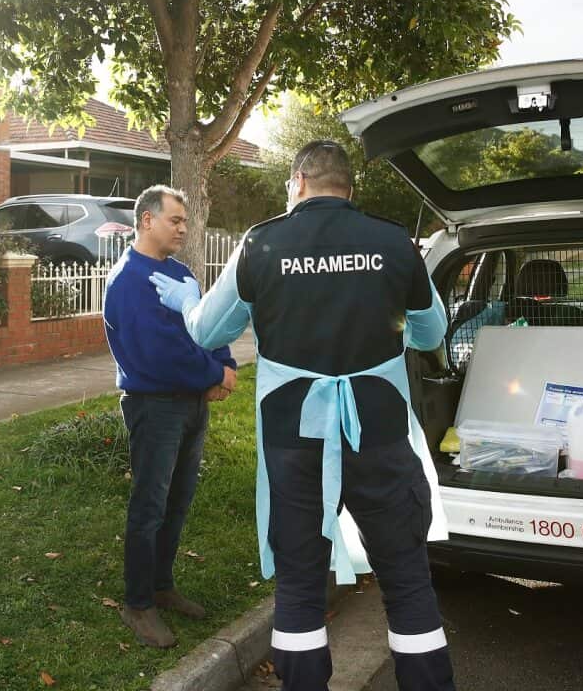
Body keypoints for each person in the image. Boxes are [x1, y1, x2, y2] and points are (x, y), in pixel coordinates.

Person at [151, 141, 454, 690]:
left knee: (299, 580)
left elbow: (207, 332)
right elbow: (433, 333)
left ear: (297, 183)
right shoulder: (392, 242)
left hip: (295, 437)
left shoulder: (263, 244)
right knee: (407, 578)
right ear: (349, 188)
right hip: (379, 430)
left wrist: (182, 302)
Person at [104, 184, 238, 648]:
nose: (184, 227)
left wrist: (226, 364)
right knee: (150, 506)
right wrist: (214, 373)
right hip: (155, 405)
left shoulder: (179, 273)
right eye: (175, 220)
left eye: (184, 221)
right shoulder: (128, 280)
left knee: (178, 500)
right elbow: (156, 354)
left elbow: (206, 322)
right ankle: (137, 603)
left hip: (190, 405)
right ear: (147, 220)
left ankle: (162, 586)